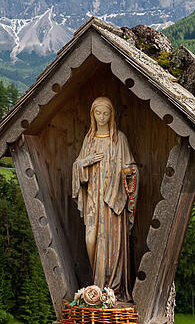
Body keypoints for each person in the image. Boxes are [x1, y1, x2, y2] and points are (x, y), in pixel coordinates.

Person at [72, 96, 138, 301]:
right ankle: (97, 282)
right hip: (93, 198)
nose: (101, 117)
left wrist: (127, 174)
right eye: (98, 113)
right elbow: (77, 166)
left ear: (112, 115)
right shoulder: (89, 140)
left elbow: (132, 167)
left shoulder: (120, 139)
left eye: (105, 113)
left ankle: (109, 289)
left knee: (111, 241)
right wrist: (86, 161)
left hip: (112, 199)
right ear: (92, 115)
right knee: (90, 238)